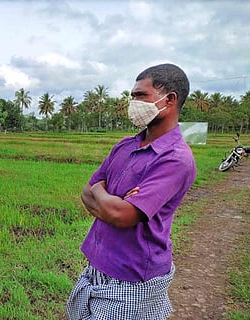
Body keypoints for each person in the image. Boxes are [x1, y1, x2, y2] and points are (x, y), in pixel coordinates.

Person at [66, 63, 196, 320]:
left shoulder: (175, 159)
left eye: (141, 96)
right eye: (132, 96)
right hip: (96, 266)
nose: (132, 102)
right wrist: (110, 199)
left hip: (133, 278)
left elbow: (122, 216)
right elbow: (86, 193)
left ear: (169, 100)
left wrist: (101, 191)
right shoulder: (125, 145)